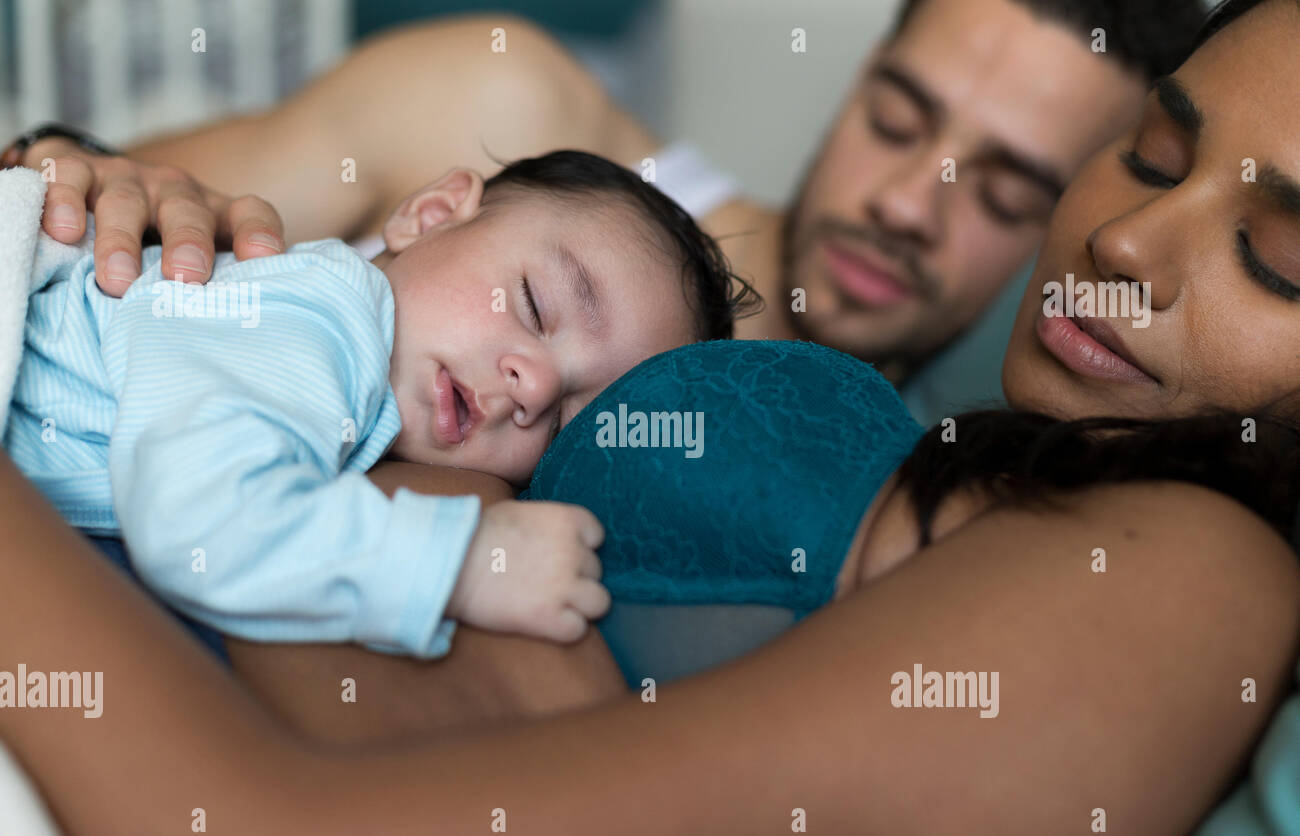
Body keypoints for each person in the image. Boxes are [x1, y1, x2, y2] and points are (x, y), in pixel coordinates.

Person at [0, 0, 1298, 836]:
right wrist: (80, 170)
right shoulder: (535, 145)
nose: (1127, 243)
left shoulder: (1163, 562)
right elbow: (87, 212)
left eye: (1278, 258)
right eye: (1149, 155)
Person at [7, 0, 1203, 394]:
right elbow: (84, 186)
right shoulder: (507, 106)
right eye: (897, 118)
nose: (904, 203)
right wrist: (78, 171)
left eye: (999, 191)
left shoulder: (901, 493)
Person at [7, 149, 752, 656]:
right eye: (530, 304)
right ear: (430, 215)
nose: (536, 386)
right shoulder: (325, 312)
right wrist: (457, 564)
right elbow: (201, 517)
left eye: (564, 424)